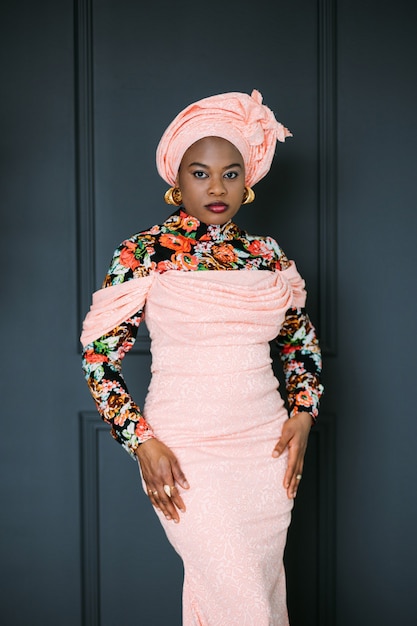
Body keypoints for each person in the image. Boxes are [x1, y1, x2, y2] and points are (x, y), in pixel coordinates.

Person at [81, 89, 323, 625]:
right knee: (243, 603)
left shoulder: (269, 257)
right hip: (185, 451)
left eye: (231, 173)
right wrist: (141, 442)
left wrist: (303, 415)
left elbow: (299, 346)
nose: (217, 187)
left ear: (248, 181)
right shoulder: (143, 253)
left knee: (252, 594)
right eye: (200, 172)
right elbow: (99, 359)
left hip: (265, 448)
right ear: (177, 180)